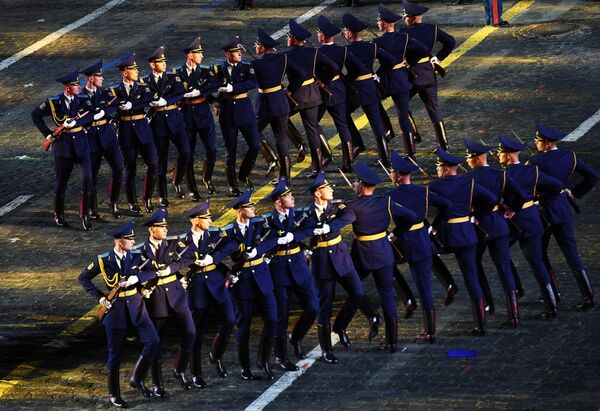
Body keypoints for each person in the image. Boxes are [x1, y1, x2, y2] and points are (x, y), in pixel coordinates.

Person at [336, 162, 418, 352]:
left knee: (353, 288)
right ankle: (392, 342)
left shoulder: (351, 206)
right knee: (387, 296)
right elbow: (412, 216)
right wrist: (396, 233)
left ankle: (361, 319)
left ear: (361, 185)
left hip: (362, 256)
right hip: (383, 252)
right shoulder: (386, 202)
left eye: (356, 183)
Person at [78, 221, 161, 407]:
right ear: (119, 241)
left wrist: (136, 278)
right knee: (114, 355)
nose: (133, 241)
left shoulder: (138, 255)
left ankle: (137, 377)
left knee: (154, 341)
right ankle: (114, 394)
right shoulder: (104, 260)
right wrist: (100, 297)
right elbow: (83, 277)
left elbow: (152, 272)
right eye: (129, 239)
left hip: (137, 307)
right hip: (116, 310)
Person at [527, 121, 599, 310]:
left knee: (540, 253)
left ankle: (552, 294)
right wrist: (574, 193)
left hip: (542, 211)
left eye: (538, 140)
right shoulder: (570, 157)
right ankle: (588, 296)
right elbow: (592, 176)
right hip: (563, 207)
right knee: (571, 253)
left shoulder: (535, 162)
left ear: (548, 143)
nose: (536, 143)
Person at [428, 148, 496, 336]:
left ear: (447, 168)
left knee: (426, 252)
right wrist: (476, 215)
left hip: (448, 236)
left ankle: (449, 283)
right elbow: (490, 199)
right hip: (467, 232)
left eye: (439, 166)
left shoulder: (436, 186)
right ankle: (480, 324)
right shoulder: (469, 182)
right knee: (472, 277)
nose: (438, 170)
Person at [386, 152, 452, 342]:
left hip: (402, 243)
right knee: (425, 288)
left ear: (398, 175)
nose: (391, 175)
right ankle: (430, 330)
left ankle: (407, 299)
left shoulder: (391, 196)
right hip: (422, 241)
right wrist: (432, 225)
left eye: (392, 172)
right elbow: (446, 205)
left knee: (385, 268)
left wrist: (394, 234)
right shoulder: (423, 192)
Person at [497, 133, 562, 318]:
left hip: (512, 223)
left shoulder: (504, 175)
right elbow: (556, 186)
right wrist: (541, 203)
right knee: (537, 261)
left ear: (509, 155)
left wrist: (508, 209)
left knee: (500, 254)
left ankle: (515, 289)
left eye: (501, 153)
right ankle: (551, 304)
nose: (498, 156)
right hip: (532, 219)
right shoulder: (532, 171)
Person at [464, 139, 526, 327]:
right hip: (499, 223)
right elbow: (521, 196)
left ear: (475, 159)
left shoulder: (468, 178)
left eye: (468, 158)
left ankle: (486, 304)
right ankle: (514, 315)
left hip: (479, 226)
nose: (467, 161)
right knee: (504, 267)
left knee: (474, 264)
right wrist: (511, 209)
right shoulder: (500, 175)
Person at [306, 171, 365, 362]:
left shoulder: (337, 207)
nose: (331, 189)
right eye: (327, 188)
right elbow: (298, 230)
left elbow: (350, 217)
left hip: (340, 257)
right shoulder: (307, 213)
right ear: (317, 192)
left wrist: (330, 227)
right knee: (325, 304)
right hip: (322, 261)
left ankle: (340, 326)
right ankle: (326, 349)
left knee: (358, 293)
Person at [180, 201, 238, 387]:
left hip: (216, 282)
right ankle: (196, 373)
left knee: (230, 319)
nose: (211, 220)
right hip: (197, 288)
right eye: (207, 218)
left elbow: (232, 244)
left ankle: (216, 355)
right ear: (197, 221)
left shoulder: (215, 234)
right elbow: (172, 262)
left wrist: (213, 258)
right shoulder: (183, 242)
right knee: (197, 332)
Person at [139, 209, 196, 396]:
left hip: (177, 295)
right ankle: (157, 383)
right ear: (151, 230)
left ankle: (179, 369)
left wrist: (172, 268)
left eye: (165, 227)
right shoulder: (141, 251)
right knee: (158, 342)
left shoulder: (173, 244)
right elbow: (135, 273)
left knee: (191, 332)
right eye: (161, 227)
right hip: (157, 298)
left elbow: (189, 256)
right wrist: (148, 280)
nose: (165, 230)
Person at [264, 179, 319, 370]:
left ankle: (295, 337)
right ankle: (281, 356)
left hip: (298, 267)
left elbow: (311, 227)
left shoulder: (297, 216)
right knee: (281, 316)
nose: (292, 198)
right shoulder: (268, 222)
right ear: (279, 201)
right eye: (288, 196)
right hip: (279, 271)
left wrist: (294, 237)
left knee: (313, 307)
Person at [224, 190, 279, 380]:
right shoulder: (230, 232)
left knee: (272, 318)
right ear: (240, 210)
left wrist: (258, 250)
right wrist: (228, 273)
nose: (253, 209)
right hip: (244, 281)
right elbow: (220, 253)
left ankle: (263, 360)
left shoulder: (258, 226)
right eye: (249, 207)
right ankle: (244, 367)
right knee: (244, 326)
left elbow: (272, 240)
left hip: (263, 277)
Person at [31, 68, 94, 230]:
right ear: (67, 88)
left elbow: (91, 114)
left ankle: (84, 213)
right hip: (63, 145)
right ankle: (58, 214)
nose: (79, 87)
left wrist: (77, 123)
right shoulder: (54, 102)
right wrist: (48, 134)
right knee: (61, 182)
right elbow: (35, 115)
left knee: (88, 179)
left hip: (81, 144)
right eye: (75, 85)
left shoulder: (83, 98)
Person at [398, 0, 456, 150]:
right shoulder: (433, 29)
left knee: (402, 106)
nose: (404, 18)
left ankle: (414, 136)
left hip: (412, 75)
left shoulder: (403, 32)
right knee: (433, 107)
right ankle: (443, 144)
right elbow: (450, 41)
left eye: (405, 16)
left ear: (412, 17)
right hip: (429, 72)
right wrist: (439, 57)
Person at [373, 4, 429, 159]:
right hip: (401, 79)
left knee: (372, 103)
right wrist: (407, 61)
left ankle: (387, 130)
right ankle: (410, 152)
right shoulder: (403, 38)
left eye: (378, 20)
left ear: (384, 23)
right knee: (403, 116)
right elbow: (424, 49)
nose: (377, 23)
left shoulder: (377, 42)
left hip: (385, 80)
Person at [286, 19, 340, 177]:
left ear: (295, 39)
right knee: (312, 129)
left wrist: (290, 89)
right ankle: (317, 168)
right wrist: (323, 81)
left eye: (289, 37)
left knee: (280, 117)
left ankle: (299, 144)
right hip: (312, 94)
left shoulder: (286, 56)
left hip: (295, 96)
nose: (287, 39)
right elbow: (334, 68)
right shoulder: (314, 52)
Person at [341, 13, 395, 167]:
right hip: (370, 88)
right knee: (376, 122)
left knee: (343, 114)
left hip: (355, 91)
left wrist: (347, 80)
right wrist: (377, 74)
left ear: (350, 33)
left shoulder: (345, 50)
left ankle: (357, 143)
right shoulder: (372, 47)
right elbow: (390, 61)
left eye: (345, 30)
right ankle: (385, 158)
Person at [108, 53, 159, 215]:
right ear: (125, 72)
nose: (137, 72)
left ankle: (147, 197)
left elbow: (149, 100)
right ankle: (132, 202)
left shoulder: (142, 87)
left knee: (153, 163)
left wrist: (133, 104)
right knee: (130, 168)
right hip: (127, 131)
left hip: (143, 130)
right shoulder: (115, 90)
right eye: (133, 70)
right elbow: (110, 107)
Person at [253, 29, 304, 182]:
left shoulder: (256, 64)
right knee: (281, 141)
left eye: (256, 45)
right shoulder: (283, 58)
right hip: (281, 103)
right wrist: (290, 90)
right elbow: (301, 75)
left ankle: (271, 158)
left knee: (252, 131)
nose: (255, 48)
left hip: (264, 105)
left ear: (262, 47)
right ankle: (285, 177)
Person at [143, 46, 191, 208]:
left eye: (164, 62)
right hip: (158, 124)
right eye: (160, 62)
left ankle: (177, 180)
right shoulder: (145, 82)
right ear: (152, 64)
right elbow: (143, 97)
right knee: (161, 160)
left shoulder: (172, 77)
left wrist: (166, 101)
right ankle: (162, 195)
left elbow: (179, 93)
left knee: (185, 152)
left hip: (175, 120)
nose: (164, 64)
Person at [213, 36, 261, 196]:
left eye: (239, 51)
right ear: (228, 54)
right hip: (227, 112)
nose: (239, 54)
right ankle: (232, 185)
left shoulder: (247, 68)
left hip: (245, 110)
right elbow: (209, 86)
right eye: (235, 52)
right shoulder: (218, 70)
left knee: (255, 145)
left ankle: (244, 173)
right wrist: (215, 101)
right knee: (230, 151)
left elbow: (252, 83)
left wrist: (233, 87)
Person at [316, 16, 362, 172]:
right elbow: (358, 67)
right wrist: (344, 79)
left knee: (312, 124)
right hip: (338, 91)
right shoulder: (343, 51)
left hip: (320, 93)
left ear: (322, 35)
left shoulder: (317, 53)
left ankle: (326, 154)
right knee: (343, 127)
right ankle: (347, 163)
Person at [80, 60, 124, 220]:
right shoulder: (81, 97)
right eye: (99, 76)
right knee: (92, 175)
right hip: (91, 138)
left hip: (108, 135)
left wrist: (104, 113)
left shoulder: (105, 94)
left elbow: (114, 104)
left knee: (118, 168)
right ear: (91, 78)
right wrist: (92, 116)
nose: (102, 79)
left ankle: (113, 202)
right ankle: (92, 208)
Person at [178, 37, 219, 200]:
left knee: (212, 149)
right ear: (190, 55)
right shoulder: (178, 74)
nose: (202, 56)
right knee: (189, 153)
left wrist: (211, 99)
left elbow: (212, 87)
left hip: (203, 115)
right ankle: (192, 188)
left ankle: (207, 178)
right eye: (199, 53)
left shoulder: (205, 72)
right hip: (186, 116)